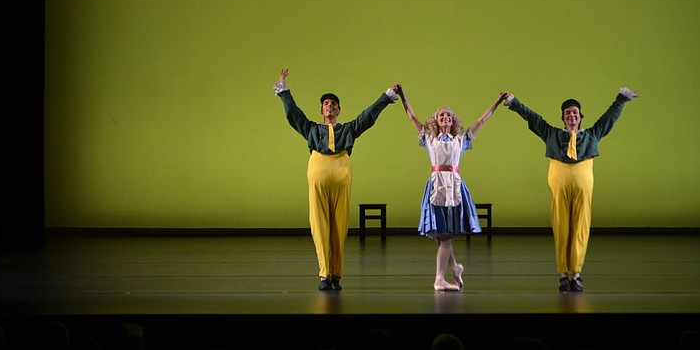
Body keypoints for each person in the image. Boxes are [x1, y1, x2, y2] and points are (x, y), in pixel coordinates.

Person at [503, 87, 640, 292]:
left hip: (583, 184)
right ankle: (563, 275)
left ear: (580, 116)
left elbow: (608, 118)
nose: (572, 115)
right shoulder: (552, 133)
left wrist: (622, 99)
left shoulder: (592, 134)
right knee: (561, 226)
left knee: (581, 226)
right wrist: (514, 103)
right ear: (563, 118)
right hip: (559, 182)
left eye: (575, 112)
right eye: (568, 113)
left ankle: (576, 274)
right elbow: (533, 117)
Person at [273, 68, 398, 291]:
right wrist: (283, 90)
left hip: (341, 176)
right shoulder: (312, 129)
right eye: (326, 104)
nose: (329, 106)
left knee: (339, 226)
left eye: (333, 104)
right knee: (319, 226)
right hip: (318, 177)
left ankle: (336, 275)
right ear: (322, 109)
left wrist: (386, 97)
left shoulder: (347, 129)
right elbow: (293, 114)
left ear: (339, 110)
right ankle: (324, 275)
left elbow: (368, 116)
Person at [395, 83, 508, 291]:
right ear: (436, 122)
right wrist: (402, 95)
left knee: (445, 235)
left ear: (453, 120)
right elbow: (411, 117)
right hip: (436, 185)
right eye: (441, 116)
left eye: (449, 115)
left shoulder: (461, 139)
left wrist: (498, 102)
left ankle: (449, 271)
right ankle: (447, 273)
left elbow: (482, 120)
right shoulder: (429, 138)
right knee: (441, 236)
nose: (445, 117)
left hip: (454, 185)